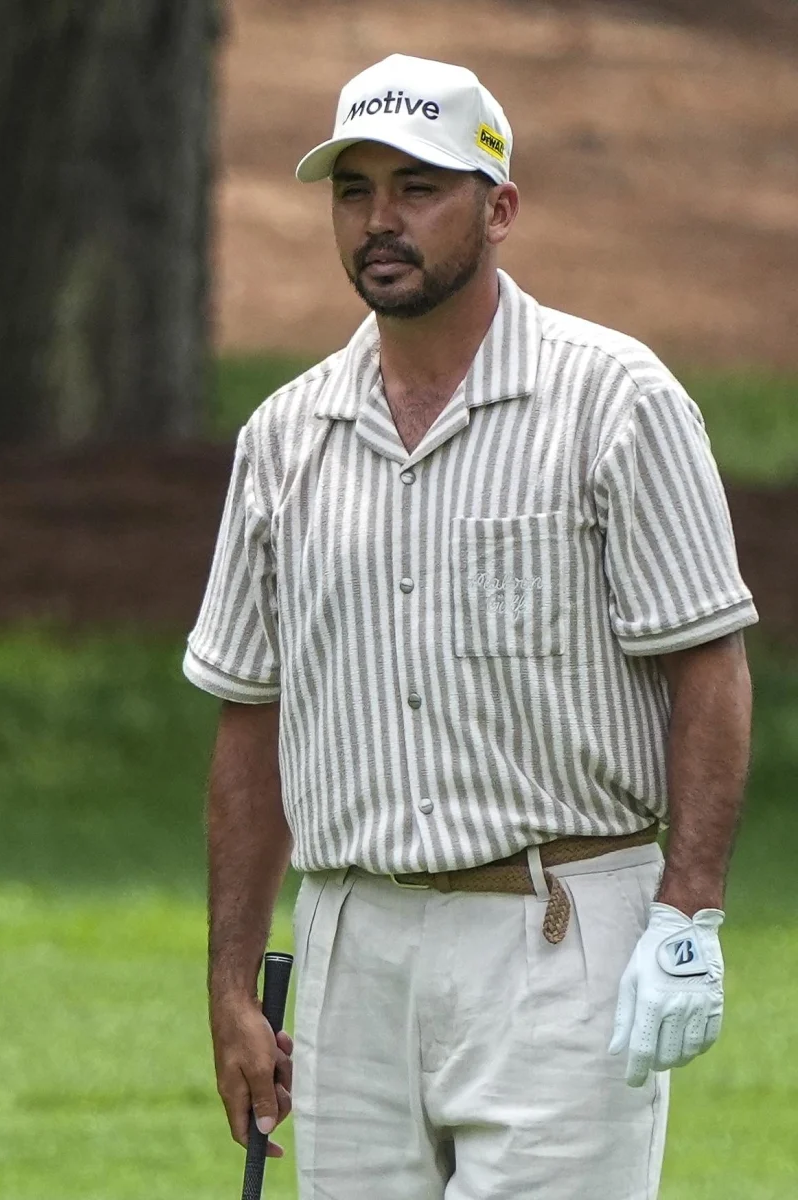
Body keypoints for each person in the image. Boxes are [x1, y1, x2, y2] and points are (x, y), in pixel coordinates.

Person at [182, 52, 755, 1200]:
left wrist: (688, 911)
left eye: (418, 187)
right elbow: (253, 722)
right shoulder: (285, 439)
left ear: (499, 207)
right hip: (352, 951)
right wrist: (233, 988)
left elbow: (709, 665)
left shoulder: (616, 402)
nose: (380, 220)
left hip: (559, 936)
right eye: (355, 190)